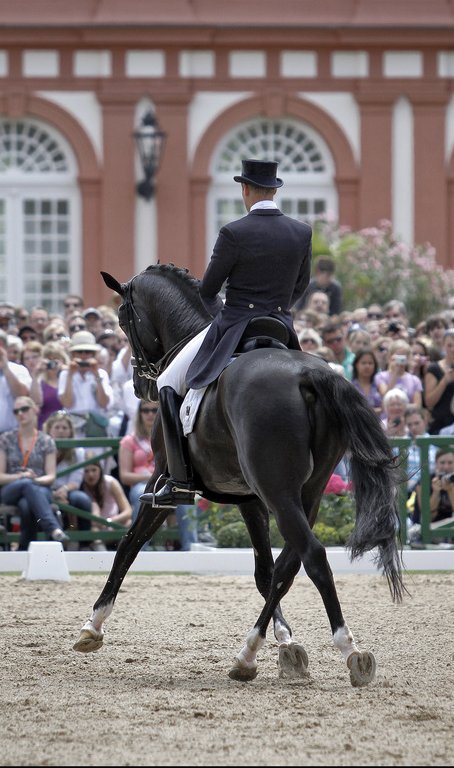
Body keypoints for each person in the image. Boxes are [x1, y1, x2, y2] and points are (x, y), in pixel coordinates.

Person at [144, 158, 312, 508]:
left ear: (245, 189)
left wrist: (227, 314)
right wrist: (277, 309)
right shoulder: (301, 232)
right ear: (274, 189)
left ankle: (178, 480)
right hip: (281, 327)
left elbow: (207, 291)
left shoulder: (234, 232)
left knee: (167, 383)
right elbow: (301, 286)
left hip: (236, 324)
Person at [0, 396, 68, 549]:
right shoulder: (5, 439)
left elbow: (51, 477)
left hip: (40, 487)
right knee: (26, 485)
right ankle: (53, 529)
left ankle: (24, 549)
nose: (20, 413)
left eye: (24, 409)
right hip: (11, 487)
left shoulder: (46, 440)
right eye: (16, 411)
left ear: (35, 410)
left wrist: (35, 479)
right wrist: (21, 477)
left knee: (26, 504)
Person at [42, 410, 91, 534]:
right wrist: (52, 493)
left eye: (64, 427)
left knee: (82, 500)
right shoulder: (40, 449)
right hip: (45, 490)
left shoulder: (78, 452)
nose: (61, 431)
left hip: (67, 491)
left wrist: (64, 489)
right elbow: (39, 476)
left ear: (70, 431)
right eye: (57, 427)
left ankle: (85, 542)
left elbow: (76, 480)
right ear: (49, 430)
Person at [57, 331, 113, 427]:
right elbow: (67, 403)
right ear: (73, 354)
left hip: (95, 423)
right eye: (79, 352)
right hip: (73, 423)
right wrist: (70, 375)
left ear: (93, 354)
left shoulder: (101, 373)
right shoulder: (65, 374)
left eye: (87, 352)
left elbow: (103, 403)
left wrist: (96, 376)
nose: (83, 356)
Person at [423, 328, 454, 434]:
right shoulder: (434, 369)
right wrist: (444, 382)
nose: (453, 349)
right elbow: (429, 402)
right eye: (449, 345)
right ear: (443, 346)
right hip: (440, 423)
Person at [77, 462, 133, 550]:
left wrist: (108, 521)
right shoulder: (79, 486)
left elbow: (128, 511)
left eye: (94, 470)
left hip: (114, 525)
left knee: (128, 523)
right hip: (92, 529)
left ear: (101, 470)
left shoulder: (110, 482)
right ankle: (100, 551)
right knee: (94, 529)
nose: (90, 475)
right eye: (86, 471)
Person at [119, 400, 159, 518]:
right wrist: (150, 477)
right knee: (144, 495)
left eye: (154, 410)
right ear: (140, 413)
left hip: (165, 483)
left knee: (185, 498)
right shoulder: (129, 440)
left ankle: (190, 537)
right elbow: (124, 476)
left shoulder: (167, 438)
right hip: (141, 484)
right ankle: (138, 536)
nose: (150, 414)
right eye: (145, 410)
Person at [414, 447, 454, 527]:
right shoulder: (424, 481)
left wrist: (451, 489)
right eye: (442, 463)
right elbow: (426, 514)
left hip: (452, 527)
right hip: (427, 527)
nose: (446, 467)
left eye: (450, 463)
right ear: (436, 463)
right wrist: (436, 493)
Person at [374, 340, 423, 407]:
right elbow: (386, 397)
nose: (400, 360)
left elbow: (417, 405)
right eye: (398, 356)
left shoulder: (414, 380)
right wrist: (395, 374)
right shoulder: (381, 376)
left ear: (408, 358)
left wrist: (400, 408)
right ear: (390, 356)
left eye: (403, 356)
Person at [33, 343, 70, 428]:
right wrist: (35, 375)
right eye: (49, 359)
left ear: (63, 359)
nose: (52, 363)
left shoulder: (69, 377)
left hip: (66, 427)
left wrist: (67, 370)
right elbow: (36, 403)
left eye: (56, 359)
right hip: (45, 426)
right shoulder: (40, 382)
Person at [350, 349, 383, 415]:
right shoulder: (350, 386)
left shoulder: (379, 384)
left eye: (370, 363)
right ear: (356, 365)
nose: (367, 366)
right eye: (363, 363)